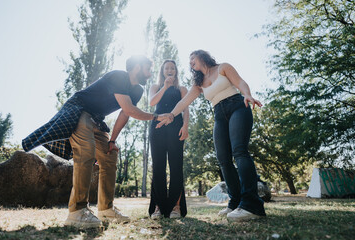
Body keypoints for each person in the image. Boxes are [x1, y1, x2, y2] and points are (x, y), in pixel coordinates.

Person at [22, 55, 170, 228]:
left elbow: (125, 114)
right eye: (148, 68)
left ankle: (106, 209)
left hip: (96, 120)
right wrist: (156, 117)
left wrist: (112, 141)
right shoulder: (119, 76)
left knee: (109, 156)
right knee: (86, 151)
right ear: (137, 67)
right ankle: (77, 211)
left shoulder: (137, 90)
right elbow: (130, 109)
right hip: (79, 110)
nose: (151, 73)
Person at [157, 50, 266, 222]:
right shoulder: (199, 83)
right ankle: (235, 202)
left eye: (193, 57)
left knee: (239, 152)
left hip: (237, 106)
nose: (191, 61)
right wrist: (171, 115)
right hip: (219, 116)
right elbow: (184, 102)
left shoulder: (223, 67)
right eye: (189, 60)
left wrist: (247, 94)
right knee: (223, 159)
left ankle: (252, 205)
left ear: (203, 57)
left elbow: (240, 82)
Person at [148, 60, 189, 219]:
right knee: (158, 166)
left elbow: (186, 109)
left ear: (176, 71)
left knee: (176, 166)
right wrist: (165, 86)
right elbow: (152, 102)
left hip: (176, 127)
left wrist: (185, 126)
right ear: (163, 71)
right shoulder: (155, 87)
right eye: (167, 68)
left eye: (172, 68)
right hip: (157, 127)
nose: (170, 70)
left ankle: (176, 207)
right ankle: (158, 207)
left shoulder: (182, 89)